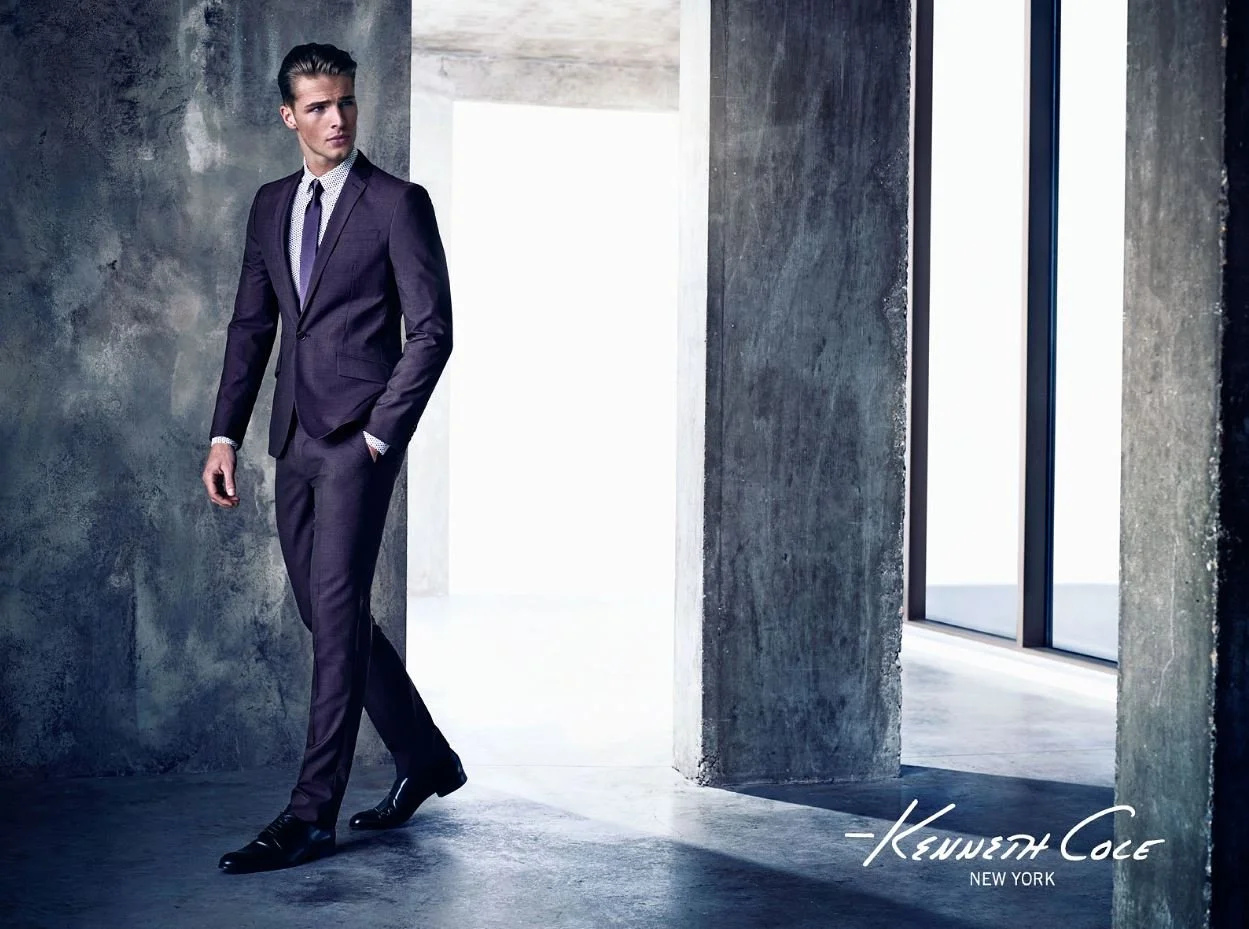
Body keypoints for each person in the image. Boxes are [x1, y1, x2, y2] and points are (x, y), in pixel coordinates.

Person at [201, 42, 463, 875]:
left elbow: (432, 331)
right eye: (317, 106)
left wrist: (380, 434)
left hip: (359, 441)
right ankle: (425, 756)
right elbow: (252, 326)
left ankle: (310, 814)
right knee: (326, 615)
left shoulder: (396, 203)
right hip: (292, 436)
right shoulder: (271, 204)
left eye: (345, 101)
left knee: (338, 612)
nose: (337, 118)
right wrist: (224, 433)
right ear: (290, 116)